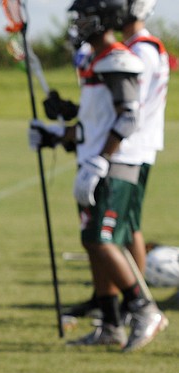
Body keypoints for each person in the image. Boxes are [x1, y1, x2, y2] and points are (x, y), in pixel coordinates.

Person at [29, 0, 167, 351]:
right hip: (95, 161)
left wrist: (101, 160)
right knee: (92, 241)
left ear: (103, 18)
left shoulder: (119, 59)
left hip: (114, 165)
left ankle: (142, 308)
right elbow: (93, 123)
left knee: (100, 239)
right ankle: (110, 324)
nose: (77, 23)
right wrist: (54, 134)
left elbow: (127, 118)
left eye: (84, 16)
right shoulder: (99, 59)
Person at [118, 0, 170, 275]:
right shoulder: (137, 47)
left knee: (127, 223)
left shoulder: (142, 50)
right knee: (123, 224)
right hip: (132, 144)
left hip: (133, 146)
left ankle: (135, 298)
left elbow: (130, 105)